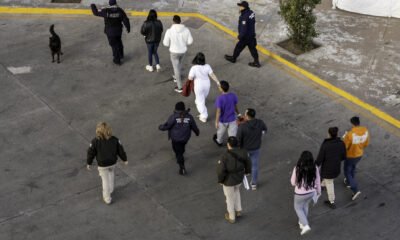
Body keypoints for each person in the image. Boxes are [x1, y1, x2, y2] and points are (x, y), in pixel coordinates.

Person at [87, 122, 128, 204]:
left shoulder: (95, 141)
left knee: (105, 180)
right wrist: (125, 159)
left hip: (102, 165)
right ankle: (111, 189)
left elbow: (90, 153)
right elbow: (121, 151)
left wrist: (89, 163)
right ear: (109, 130)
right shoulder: (115, 140)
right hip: (112, 162)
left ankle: (107, 198)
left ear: (98, 131)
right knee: (111, 173)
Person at [217, 136, 251, 224]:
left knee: (229, 198)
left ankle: (231, 216)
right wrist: (247, 172)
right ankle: (238, 210)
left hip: (228, 180)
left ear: (228, 144)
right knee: (236, 192)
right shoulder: (243, 152)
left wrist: (220, 180)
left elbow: (221, 170)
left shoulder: (225, 156)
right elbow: (248, 162)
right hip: (239, 177)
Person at [159, 102, 200, 175]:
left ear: (176, 109)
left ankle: (182, 167)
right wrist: (197, 132)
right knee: (182, 148)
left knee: (177, 152)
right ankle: (180, 154)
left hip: (175, 138)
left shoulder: (173, 117)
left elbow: (167, 126)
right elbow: (194, 126)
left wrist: (161, 127)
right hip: (185, 138)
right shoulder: (189, 117)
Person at [91, 0, 130, 65]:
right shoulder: (120, 10)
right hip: (118, 31)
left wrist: (92, 5)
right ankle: (121, 55)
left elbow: (96, 13)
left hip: (110, 32)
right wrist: (128, 28)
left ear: (109, 4)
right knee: (119, 42)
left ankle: (117, 60)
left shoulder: (106, 11)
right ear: (116, 3)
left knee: (114, 46)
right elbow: (125, 19)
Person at [290, 151, 321, 235]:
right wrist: (318, 191)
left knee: (298, 208)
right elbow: (318, 181)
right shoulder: (315, 167)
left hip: (299, 194)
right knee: (305, 206)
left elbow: (293, 182)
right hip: (311, 192)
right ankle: (301, 222)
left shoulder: (297, 168)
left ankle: (305, 225)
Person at [315, 127, 346, 209]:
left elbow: (320, 158)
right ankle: (322, 185)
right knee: (328, 179)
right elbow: (343, 156)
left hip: (328, 170)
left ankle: (331, 201)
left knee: (330, 183)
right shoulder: (341, 143)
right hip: (336, 167)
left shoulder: (326, 145)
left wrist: (315, 165)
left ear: (329, 134)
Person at [236, 108, 267, 190]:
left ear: (247, 116)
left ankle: (246, 172)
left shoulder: (242, 127)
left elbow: (238, 139)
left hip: (245, 149)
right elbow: (264, 130)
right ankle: (254, 183)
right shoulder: (260, 122)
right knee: (255, 166)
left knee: (244, 162)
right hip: (256, 148)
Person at [224, 1, 260, 68]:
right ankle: (257, 62)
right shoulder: (251, 13)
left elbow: (243, 28)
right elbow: (253, 22)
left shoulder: (244, 17)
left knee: (238, 47)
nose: (239, 7)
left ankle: (233, 58)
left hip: (245, 37)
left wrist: (240, 36)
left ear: (244, 7)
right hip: (252, 35)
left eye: (240, 6)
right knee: (253, 49)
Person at [163, 15, 193, 93]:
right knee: (179, 65)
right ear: (180, 21)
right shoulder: (186, 30)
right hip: (183, 51)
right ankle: (177, 76)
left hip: (174, 52)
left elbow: (165, 43)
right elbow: (190, 41)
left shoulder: (169, 31)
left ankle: (179, 87)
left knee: (176, 67)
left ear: (173, 21)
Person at [343, 116, 369, 201]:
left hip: (351, 155)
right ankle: (349, 182)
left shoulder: (350, 134)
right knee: (353, 168)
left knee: (347, 171)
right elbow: (366, 143)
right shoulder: (365, 130)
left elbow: (345, 146)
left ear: (352, 123)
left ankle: (355, 189)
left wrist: (344, 137)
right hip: (359, 154)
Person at [188, 52, 220, 123]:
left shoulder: (194, 68)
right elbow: (212, 75)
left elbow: (190, 78)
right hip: (207, 84)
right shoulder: (207, 66)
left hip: (198, 86)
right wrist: (217, 82)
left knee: (200, 102)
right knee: (202, 97)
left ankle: (204, 116)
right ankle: (201, 106)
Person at [213, 81, 240, 147]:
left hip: (223, 121)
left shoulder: (219, 99)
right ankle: (232, 147)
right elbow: (235, 106)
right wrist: (239, 114)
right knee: (232, 136)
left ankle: (219, 142)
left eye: (219, 86)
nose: (218, 87)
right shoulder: (233, 95)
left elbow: (218, 112)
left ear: (221, 89)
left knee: (220, 133)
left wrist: (216, 122)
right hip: (232, 119)